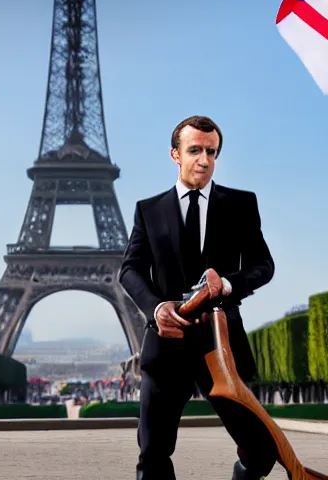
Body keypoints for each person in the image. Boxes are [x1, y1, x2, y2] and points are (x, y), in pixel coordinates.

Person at [118, 116, 277, 480]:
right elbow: (130, 270)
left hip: (221, 345)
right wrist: (157, 307)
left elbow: (263, 265)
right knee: (153, 455)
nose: (204, 159)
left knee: (259, 453)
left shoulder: (241, 204)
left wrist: (231, 284)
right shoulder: (149, 209)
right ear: (175, 154)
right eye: (195, 150)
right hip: (167, 343)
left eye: (211, 151)